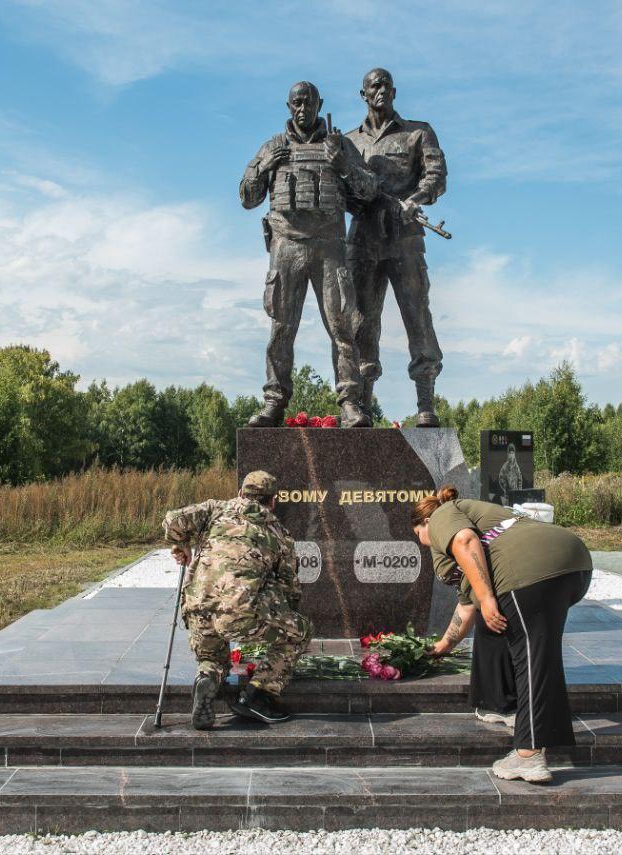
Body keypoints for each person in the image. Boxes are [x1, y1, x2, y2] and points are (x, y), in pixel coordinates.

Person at [413, 486, 592, 783]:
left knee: (533, 654)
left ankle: (528, 755)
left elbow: (464, 541)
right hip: (574, 563)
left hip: (530, 570)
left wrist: (486, 597)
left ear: (425, 522)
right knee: (495, 622)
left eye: (420, 535)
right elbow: (467, 606)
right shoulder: (487, 522)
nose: (426, 544)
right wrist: (443, 645)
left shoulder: (443, 513)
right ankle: (498, 702)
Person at [240, 81, 378, 429]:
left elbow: (368, 192)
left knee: (341, 327)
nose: (303, 108)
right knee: (281, 328)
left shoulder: (339, 145)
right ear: (289, 106)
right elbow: (246, 196)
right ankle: (274, 401)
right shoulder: (273, 146)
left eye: (309, 102)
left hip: (329, 247)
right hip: (286, 246)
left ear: (320, 104)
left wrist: (343, 164)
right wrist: (264, 166)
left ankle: (350, 402)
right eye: (296, 103)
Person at [163, 470, 312, 730]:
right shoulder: (279, 533)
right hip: (239, 615)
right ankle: (259, 694)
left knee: (213, 656)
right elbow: (290, 591)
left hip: (198, 611)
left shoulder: (214, 510)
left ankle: (207, 675)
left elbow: (173, 520)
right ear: (272, 501)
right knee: (300, 631)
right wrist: (280, 614)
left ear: (241, 493)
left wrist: (180, 544)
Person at [345, 67, 447, 426]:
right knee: (361, 324)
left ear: (394, 91)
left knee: (418, 317)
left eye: (387, 85)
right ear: (363, 94)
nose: (381, 90)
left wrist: (417, 198)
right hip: (362, 240)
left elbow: (436, 176)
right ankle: (361, 406)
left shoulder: (418, 132)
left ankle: (425, 405)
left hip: (405, 238)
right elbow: (340, 194)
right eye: (375, 85)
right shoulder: (348, 142)